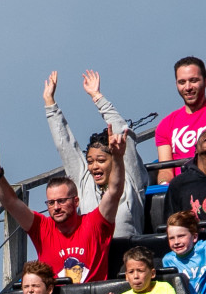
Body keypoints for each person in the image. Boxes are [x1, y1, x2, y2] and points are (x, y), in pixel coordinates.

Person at [0, 134, 122, 283]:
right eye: (51, 202)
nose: (56, 207)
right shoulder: (41, 227)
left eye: (61, 201)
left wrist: (118, 158)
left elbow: (114, 191)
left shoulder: (95, 223)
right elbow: (10, 202)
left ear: (76, 201)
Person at [44, 70, 148, 239]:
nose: (94, 166)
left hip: (129, 258)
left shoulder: (129, 178)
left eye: (100, 160)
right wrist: (50, 104)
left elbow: (123, 133)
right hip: (95, 262)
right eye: (90, 161)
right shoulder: (85, 183)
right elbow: (66, 146)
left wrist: (97, 97)